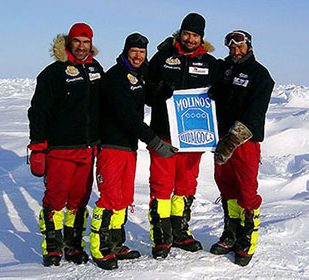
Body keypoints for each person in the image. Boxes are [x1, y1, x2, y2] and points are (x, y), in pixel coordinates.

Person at [89, 33, 177, 270]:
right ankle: (99, 248)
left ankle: (116, 244)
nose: (138, 56)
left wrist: (163, 70)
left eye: (142, 52)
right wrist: (155, 141)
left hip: (128, 147)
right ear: (126, 51)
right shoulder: (116, 77)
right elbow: (127, 116)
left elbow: (151, 91)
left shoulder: (137, 75)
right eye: (134, 51)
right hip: (111, 145)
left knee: (123, 198)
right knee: (108, 198)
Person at [27, 22, 104, 267]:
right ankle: (52, 247)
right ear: (68, 42)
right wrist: (37, 146)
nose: (81, 47)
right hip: (59, 150)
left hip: (87, 148)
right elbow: (38, 111)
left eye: (86, 42)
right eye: (77, 41)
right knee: (55, 199)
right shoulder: (53, 72)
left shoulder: (95, 68)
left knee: (79, 200)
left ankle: (74, 245)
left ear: (91, 44)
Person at [145, 12, 217, 259]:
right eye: (186, 33)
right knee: (161, 185)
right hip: (163, 133)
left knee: (186, 184)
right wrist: (158, 91)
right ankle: (161, 236)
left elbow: (224, 96)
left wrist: (220, 94)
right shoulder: (163, 57)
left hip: (193, 136)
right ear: (180, 32)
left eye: (195, 35)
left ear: (201, 38)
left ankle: (180, 231)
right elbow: (146, 93)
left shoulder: (210, 63)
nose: (189, 38)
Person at [207, 30, 274, 266]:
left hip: (244, 142)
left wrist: (233, 140)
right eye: (232, 47)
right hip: (221, 137)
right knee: (227, 188)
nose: (236, 50)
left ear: (249, 47)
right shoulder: (225, 69)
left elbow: (255, 115)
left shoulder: (260, 75)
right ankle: (231, 233)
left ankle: (247, 239)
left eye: (240, 46)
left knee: (246, 190)